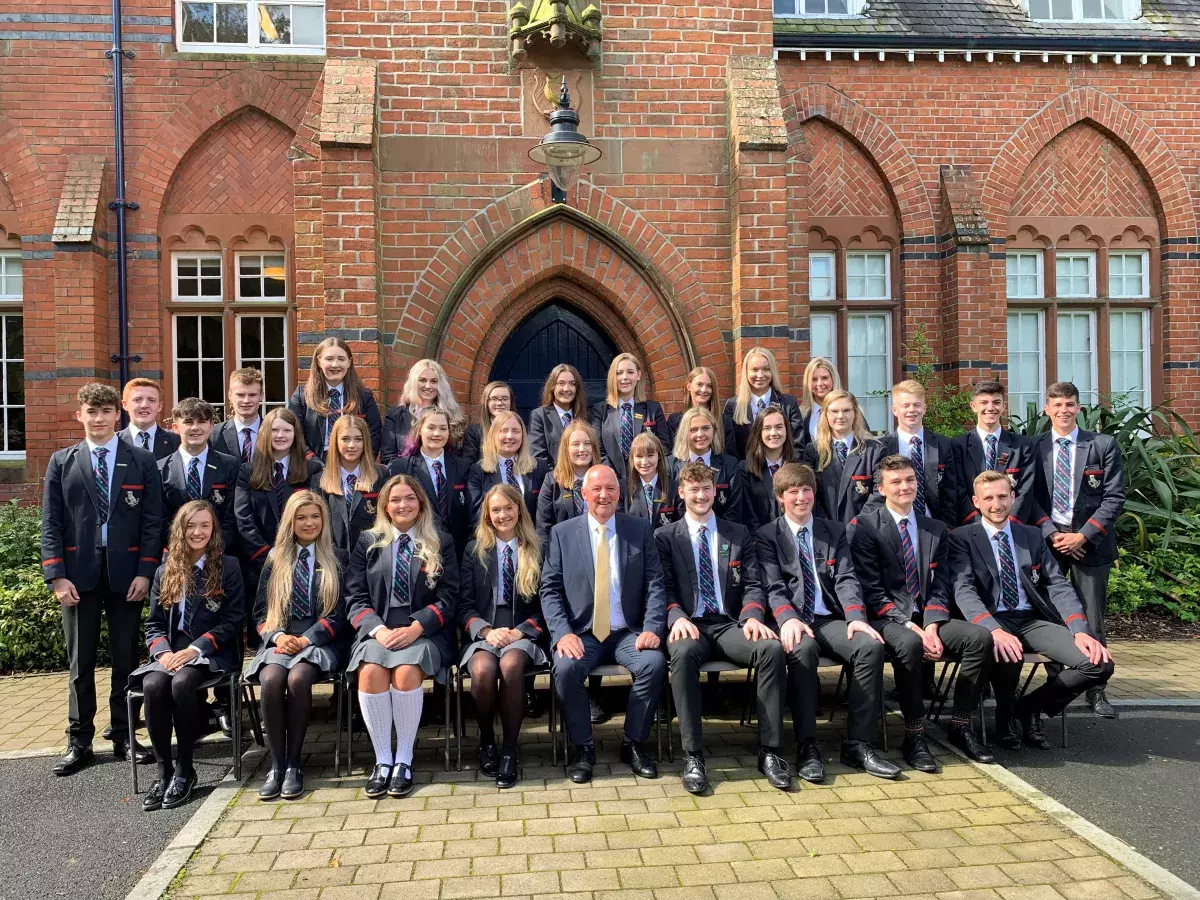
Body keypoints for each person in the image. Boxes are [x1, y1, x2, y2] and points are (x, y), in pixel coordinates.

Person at [42, 383, 163, 775]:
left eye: (106, 411)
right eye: (91, 412)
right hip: (78, 577)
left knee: (127, 658)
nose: (98, 419)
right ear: (80, 415)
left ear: (118, 415)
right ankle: (79, 740)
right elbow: (51, 524)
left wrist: (146, 571)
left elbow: (152, 522)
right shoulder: (62, 462)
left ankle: (125, 734)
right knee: (81, 661)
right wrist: (57, 577)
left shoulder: (141, 460)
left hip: (127, 575)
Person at [950, 471, 1115, 749]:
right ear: (976, 502)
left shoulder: (1032, 536)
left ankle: (1026, 709)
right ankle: (1003, 721)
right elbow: (963, 590)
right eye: (988, 498)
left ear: (1013, 498)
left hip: (1030, 620)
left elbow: (1057, 584)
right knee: (1008, 653)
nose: (996, 504)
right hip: (990, 622)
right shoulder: (962, 537)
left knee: (1098, 664)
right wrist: (993, 629)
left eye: (1003, 496)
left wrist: (1080, 630)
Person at [850, 455, 996, 769]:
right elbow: (871, 589)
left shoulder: (935, 528)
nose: (904, 487)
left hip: (928, 616)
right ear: (882, 488)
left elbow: (942, 583)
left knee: (979, 638)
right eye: (896, 482)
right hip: (887, 617)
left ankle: (960, 725)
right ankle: (914, 735)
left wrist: (931, 624)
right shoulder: (866, 526)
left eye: (909, 480)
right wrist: (908, 624)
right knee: (909, 644)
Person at [756, 463, 899, 780]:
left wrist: (855, 617)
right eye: (793, 492)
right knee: (802, 651)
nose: (801, 497)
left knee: (869, 647)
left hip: (829, 617)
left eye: (806, 490)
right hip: (793, 620)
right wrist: (788, 619)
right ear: (781, 497)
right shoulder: (767, 536)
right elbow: (773, 587)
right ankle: (808, 746)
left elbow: (847, 578)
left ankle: (858, 744)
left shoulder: (833, 531)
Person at [656, 461, 791, 793]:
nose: (701, 495)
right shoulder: (665, 537)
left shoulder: (738, 533)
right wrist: (677, 617)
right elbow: (663, 588)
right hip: (690, 625)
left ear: (715, 492)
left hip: (731, 623)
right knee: (683, 655)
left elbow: (754, 584)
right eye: (694, 489)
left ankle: (770, 751)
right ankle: (693, 755)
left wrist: (752, 618)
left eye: (706, 489)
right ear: (681, 493)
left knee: (771, 650)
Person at [540, 465, 668, 783]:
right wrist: (562, 633)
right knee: (566, 669)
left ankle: (633, 744)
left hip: (628, 632)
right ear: (583, 494)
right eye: (596, 489)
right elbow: (550, 589)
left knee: (654, 664)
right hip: (583, 634)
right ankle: (583, 748)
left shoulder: (637, 529)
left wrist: (652, 628)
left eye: (610, 488)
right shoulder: (562, 533)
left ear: (619, 493)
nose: (603, 495)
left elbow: (655, 583)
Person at [345, 474, 459, 799]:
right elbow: (354, 597)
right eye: (395, 499)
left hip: (424, 632)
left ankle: (405, 760)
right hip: (377, 631)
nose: (402, 505)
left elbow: (449, 597)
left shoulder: (441, 541)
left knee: (407, 674)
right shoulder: (368, 542)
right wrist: (378, 630)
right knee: (370, 673)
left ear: (420, 502)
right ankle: (383, 760)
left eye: (409, 498)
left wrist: (417, 627)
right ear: (385, 505)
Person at [129, 501, 243, 810]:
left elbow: (232, 621)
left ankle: (185, 769)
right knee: (153, 686)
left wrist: (194, 650)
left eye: (204, 525)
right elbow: (153, 624)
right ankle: (163, 769)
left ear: (213, 530)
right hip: (170, 653)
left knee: (182, 684)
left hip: (210, 652)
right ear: (180, 530)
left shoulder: (227, 566)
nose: (197, 531)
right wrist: (163, 653)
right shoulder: (165, 570)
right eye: (191, 525)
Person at [1028, 381, 1125, 718]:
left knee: (1092, 618)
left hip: (1091, 546)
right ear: (1046, 409)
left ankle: (1096, 692)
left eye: (1069, 404)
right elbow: (1030, 499)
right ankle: (1061, 686)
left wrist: (1082, 536)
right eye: (1057, 405)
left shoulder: (1102, 445)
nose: (1063, 411)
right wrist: (1053, 534)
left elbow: (1114, 497)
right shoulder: (1035, 447)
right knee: (1052, 616)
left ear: (1079, 408)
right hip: (1050, 545)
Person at [245, 491, 346, 801]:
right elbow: (260, 613)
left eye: (315, 516)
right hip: (281, 638)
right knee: (272, 679)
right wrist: (276, 637)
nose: (309, 523)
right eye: (301, 517)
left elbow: (341, 614)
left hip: (320, 640)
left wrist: (306, 639)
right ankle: (276, 765)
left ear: (324, 520)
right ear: (290, 521)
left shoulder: (337, 557)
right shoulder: (276, 558)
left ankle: (294, 764)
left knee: (299, 678)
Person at [458, 484, 548, 788]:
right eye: (495, 510)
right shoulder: (474, 552)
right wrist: (485, 630)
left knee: (511, 666)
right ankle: (487, 740)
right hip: (485, 630)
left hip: (523, 630)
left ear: (519, 510)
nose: (503, 515)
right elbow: (464, 605)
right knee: (483, 670)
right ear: (487, 515)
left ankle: (510, 749)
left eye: (508, 508)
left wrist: (520, 631)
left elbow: (545, 604)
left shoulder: (537, 548)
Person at [234, 408, 323, 594]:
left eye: (287, 430)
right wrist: (267, 557)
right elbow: (244, 519)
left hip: (302, 561)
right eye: (274, 430)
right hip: (259, 565)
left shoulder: (312, 470)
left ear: (295, 434)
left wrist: (297, 555)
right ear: (266, 433)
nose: (280, 435)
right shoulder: (247, 472)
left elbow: (316, 517)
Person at [861, 380, 961, 529]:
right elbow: (878, 491)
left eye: (917, 405)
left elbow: (950, 492)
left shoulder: (943, 445)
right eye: (905, 405)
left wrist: (947, 528)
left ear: (924, 408)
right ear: (894, 410)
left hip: (934, 525)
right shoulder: (881, 447)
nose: (912, 410)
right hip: (893, 526)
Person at [389, 406, 473, 561]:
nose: (437, 433)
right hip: (417, 549)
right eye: (431, 427)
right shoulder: (401, 467)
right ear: (420, 430)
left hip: (457, 551)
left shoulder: (463, 467)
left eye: (443, 428)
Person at [159, 398, 240, 552]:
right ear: (175, 427)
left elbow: (231, 516)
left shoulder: (230, 465)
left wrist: (214, 549)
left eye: (202, 422)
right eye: (188, 422)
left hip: (220, 554)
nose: (195, 427)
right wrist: (180, 547)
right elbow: (159, 518)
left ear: (211, 427)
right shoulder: (160, 469)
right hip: (177, 553)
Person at [952, 381, 1037, 527]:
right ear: (974, 406)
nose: (990, 408)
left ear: (1004, 406)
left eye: (996, 402)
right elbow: (958, 490)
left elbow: (1025, 490)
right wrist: (980, 525)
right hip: (972, 528)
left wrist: (1007, 525)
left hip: (1012, 527)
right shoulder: (958, 445)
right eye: (984, 402)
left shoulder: (1022, 445)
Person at [287, 337, 383, 458]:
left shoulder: (364, 396)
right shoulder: (301, 396)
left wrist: (358, 465)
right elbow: (295, 434)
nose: (335, 364)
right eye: (329, 359)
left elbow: (374, 436)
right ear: (319, 361)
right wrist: (315, 466)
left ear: (349, 362)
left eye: (341, 359)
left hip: (353, 464)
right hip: (313, 467)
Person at [802, 390, 884, 524]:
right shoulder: (813, 451)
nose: (840, 416)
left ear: (855, 414)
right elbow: (809, 493)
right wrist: (827, 526)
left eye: (846, 410)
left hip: (865, 531)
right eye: (834, 411)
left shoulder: (874, 450)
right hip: (826, 532)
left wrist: (858, 524)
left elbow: (880, 492)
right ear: (825, 415)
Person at [589, 352, 671, 483]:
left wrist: (646, 470)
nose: (625, 377)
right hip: (611, 481)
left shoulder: (653, 409)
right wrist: (612, 477)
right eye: (619, 373)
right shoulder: (600, 410)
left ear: (638, 375)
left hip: (646, 480)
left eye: (630, 372)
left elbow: (664, 447)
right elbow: (598, 449)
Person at [314, 415, 387, 556]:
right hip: (333, 558)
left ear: (365, 442)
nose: (352, 445)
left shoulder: (381, 475)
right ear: (335, 441)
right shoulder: (320, 480)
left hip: (371, 557)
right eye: (345, 439)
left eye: (358, 439)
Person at [380, 359, 468, 465]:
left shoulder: (453, 417)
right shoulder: (396, 416)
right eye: (422, 380)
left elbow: (458, 459)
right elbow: (388, 458)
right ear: (413, 383)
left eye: (434, 381)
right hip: (405, 478)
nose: (428, 386)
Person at [467, 410, 548, 525]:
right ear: (493, 435)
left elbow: (546, 511)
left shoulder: (539, 467)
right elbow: (476, 514)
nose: (510, 436)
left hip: (532, 538)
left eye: (516, 431)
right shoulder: (478, 471)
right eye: (503, 431)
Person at [724, 347, 805, 459]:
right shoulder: (733, 406)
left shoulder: (788, 404)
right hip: (745, 473)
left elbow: (798, 445)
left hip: (781, 472)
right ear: (746, 372)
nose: (760, 375)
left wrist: (785, 472)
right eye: (755, 370)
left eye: (766, 369)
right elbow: (730, 449)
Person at [669, 406, 744, 524]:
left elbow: (735, 509)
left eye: (705, 428)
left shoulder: (729, 464)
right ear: (684, 432)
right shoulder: (670, 466)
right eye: (693, 429)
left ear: (714, 430)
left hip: (721, 535)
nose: (700, 434)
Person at [535, 418, 602, 547]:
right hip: (563, 552)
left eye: (587, 443)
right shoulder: (551, 482)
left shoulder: (603, 478)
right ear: (566, 449)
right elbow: (543, 528)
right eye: (576, 444)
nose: (582, 449)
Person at [740, 407, 797, 531]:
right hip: (759, 541)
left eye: (779, 427)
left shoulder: (799, 467)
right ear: (758, 432)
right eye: (767, 428)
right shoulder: (745, 469)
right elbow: (748, 512)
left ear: (787, 430)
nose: (773, 433)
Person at [529, 363, 589, 468]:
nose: (566, 389)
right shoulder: (539, 416)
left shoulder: (587, 416)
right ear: (552, 386)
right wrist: (558, 478)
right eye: (561, 383)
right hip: (554, 481)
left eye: (572, 384)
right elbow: (538, 457)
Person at [665, 366, 736, 455]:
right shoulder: (675, 421)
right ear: (689, 386)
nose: (704, 390)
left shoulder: (724, 422)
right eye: (699, 384)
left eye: (709, 386)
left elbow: (732, 458)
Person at [210, 368, 265, 464]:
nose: (246, 400)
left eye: (252, 395)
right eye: (240, 395)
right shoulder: (214, 435)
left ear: (261, 396)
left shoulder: (273, 432)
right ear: (230, 396)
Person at [624, 432, 677, 529]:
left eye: (650, 455)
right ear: (632, 458)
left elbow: (679, 525)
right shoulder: (623, 489)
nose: (644, 462)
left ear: (659, 456)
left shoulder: (673, 487)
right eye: (639, 456)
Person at [120, 378, 180, 460]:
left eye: (151, 400)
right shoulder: (115, 442)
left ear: (160, 406)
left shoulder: (177, 441)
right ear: (125, 404)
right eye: (137, 400)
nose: (144, 405)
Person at [461, 381, 514, 468]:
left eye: (505, 399)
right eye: (494, 399)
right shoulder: (474, 431)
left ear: (511, 401)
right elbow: (469, 465)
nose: (500, 403)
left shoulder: (520, 430)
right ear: (486, 402)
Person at [798, 357, 842, 447]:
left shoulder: (849, 410)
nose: (820, 384)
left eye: (824, 378)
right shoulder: (800, 415)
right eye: (814, 379)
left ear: (833, 379)